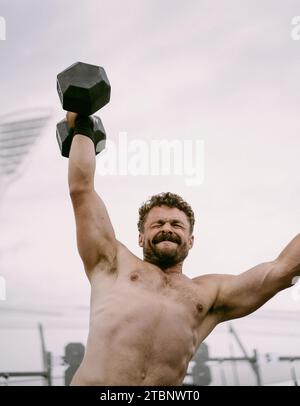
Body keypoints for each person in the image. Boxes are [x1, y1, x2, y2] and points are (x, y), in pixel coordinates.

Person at [66, 112, 300, 386]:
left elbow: (283, 271)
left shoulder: (210, 294)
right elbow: (82, 190)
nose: (167, 228)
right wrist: (82, 124)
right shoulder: (112, 262)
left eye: (177, 224)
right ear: (141, 238)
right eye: (158, 224)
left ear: (190, 240)